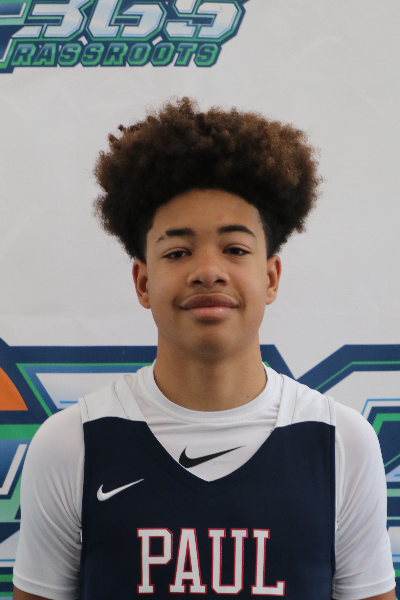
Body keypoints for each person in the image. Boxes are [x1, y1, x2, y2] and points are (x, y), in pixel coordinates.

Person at [13, 98, 395, 600]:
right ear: (143, 282)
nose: (208, 271)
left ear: (270, 277)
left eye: (235, 249)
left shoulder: (341, 443)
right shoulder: (73, 445)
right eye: (178, 252)